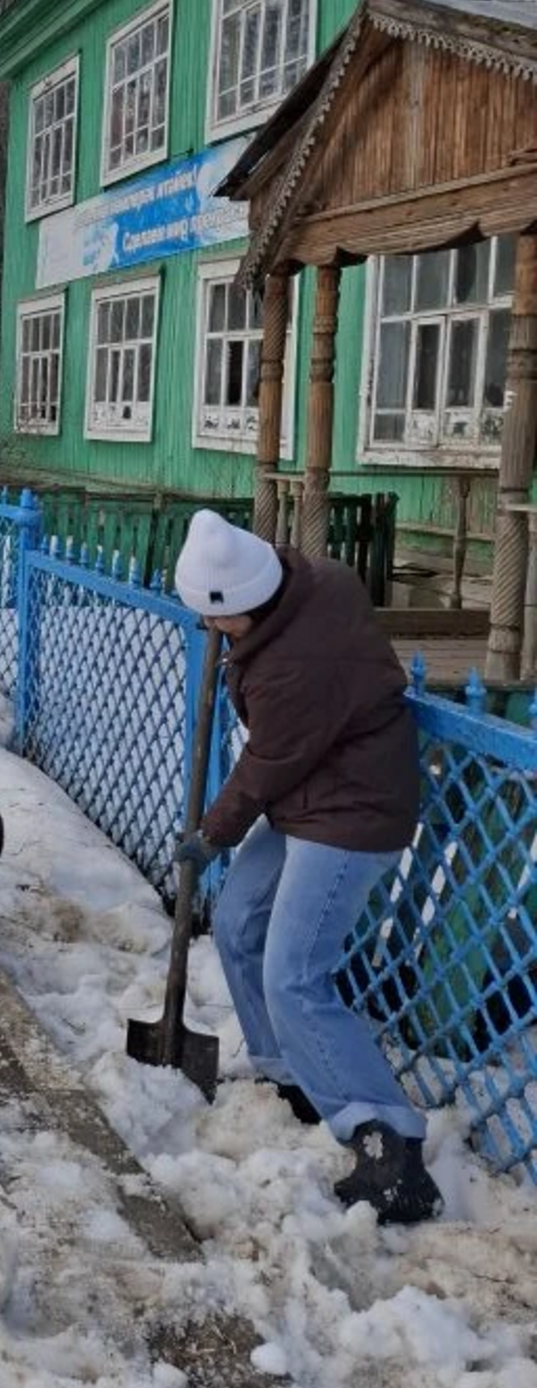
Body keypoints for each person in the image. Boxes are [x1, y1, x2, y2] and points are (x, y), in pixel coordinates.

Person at [172, 509, 441, 1226]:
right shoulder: (307, 577)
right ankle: (290, 1072)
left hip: (352, 808)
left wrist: (209, 835)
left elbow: (265, 766)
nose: (211, 631)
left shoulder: (291, 666)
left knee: (294, 972)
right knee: (236, 926)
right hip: (312, 793)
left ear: (244, 607)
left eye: (214, 620)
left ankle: (390, 1143)